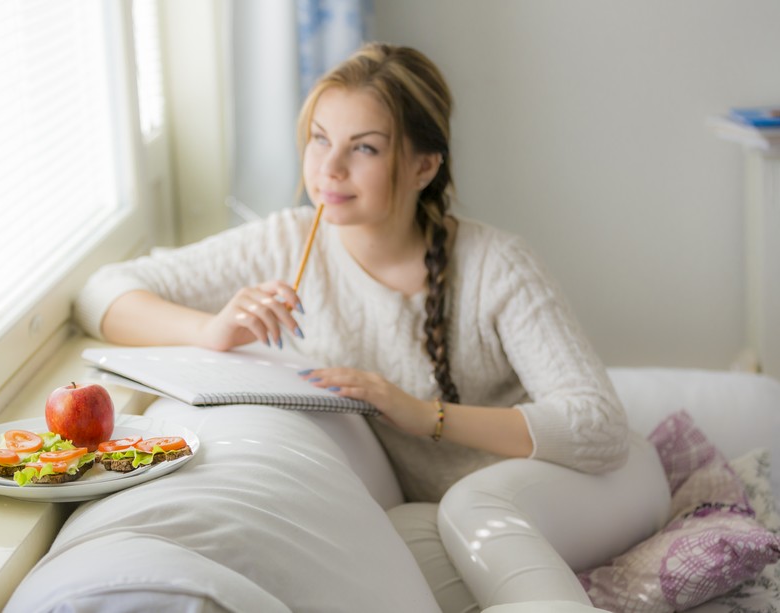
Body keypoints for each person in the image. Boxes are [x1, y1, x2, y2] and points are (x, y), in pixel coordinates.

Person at [74, 42, 629, 503]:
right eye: (320, 139)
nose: (329, 168)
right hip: (452, 515)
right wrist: (209, 330)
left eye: (363, 148)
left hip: (570, 490)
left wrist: (420, 414)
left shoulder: (496, 265)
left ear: (423, 165)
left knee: (469, 510)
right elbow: (101, 293)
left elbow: (600, 429)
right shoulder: (286, 242)